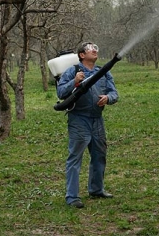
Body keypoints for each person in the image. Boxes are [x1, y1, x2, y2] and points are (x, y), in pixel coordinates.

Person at [56, 42, 119, 208]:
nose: (95, 49)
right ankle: (72, 197)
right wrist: (74, 82)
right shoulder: (73, 71)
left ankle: (96, 189)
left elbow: (114, 93)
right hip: (79, 119)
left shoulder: (103, 72)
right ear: (82, 55)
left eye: (96, 47)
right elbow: (61, 93)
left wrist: (108, 98)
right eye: (90, 47)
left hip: (97, 119)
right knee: (75, 158)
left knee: (99, 155)